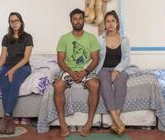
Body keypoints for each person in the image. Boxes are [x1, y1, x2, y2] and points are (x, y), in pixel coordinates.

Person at [53, 8, 100, 137]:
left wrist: (85, 71)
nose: (78, 21)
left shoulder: (91, 38)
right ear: (71, 21)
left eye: (80, 18)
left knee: (95, 85)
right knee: (57, 85)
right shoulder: (64, 38)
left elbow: (96, 59)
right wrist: (70, 72)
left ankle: (89, 123)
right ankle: (63, 124)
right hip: (68, 70)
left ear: (83, 20)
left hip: (86, 70)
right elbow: (60, 60)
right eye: (75, 18)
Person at [94, 10, 130, 135]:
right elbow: (95, 57)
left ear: (117, 23)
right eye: (107, 21)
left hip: (119, 68)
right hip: (103, 69)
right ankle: (117, 121)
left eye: (112, 21)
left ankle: (115, 123)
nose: (110, 24)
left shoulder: (124, 39)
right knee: (105, 84)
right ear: (104, 24)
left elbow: (126, 59)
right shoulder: (100, 39)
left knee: (120, 84)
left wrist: (117, 70)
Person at [0, 12, 33, 134]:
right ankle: (10, 120)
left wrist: (13, 70)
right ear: (9, 23)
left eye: (16, 20)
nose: (14, 23)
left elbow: (26, 58)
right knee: (4, 85)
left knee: (15, 82)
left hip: (23, 67)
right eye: (12, 21)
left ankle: (6, 115)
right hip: (7, 65)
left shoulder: (28, 37)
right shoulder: (6, 38)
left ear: (21, 21)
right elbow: (2, 58)